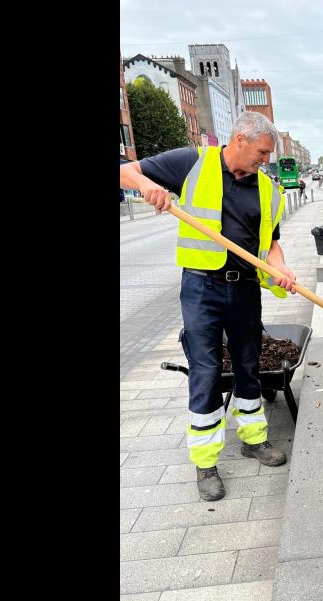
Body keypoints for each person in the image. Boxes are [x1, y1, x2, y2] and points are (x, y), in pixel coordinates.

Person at [119, 112, 297, 502]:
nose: (265, 160)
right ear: (239, 139)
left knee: (249, 364)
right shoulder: (191, 163)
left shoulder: (267, 189)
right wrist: (150, 187)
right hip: (202, 288)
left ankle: (253, 440)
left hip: (246, 288)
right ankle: (206, 462)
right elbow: (126, 171)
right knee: (206, 370)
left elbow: (270, 241)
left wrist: (279, 266)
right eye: (262, 152)